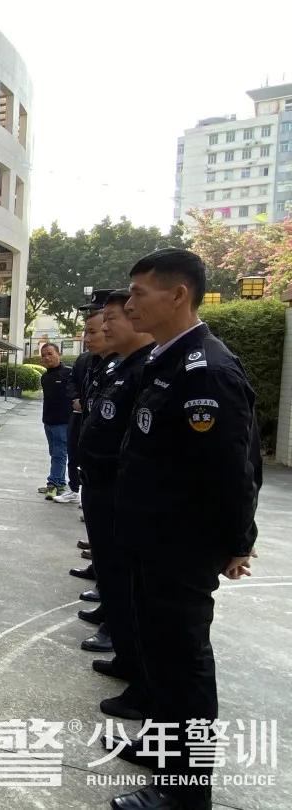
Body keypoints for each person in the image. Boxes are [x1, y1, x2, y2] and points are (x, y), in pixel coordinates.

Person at [106, 248, 261, 810]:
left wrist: (237, 541)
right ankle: (162, 746)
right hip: (153, 541)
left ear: (179, 295)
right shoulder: (167, 361)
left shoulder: (208, 370)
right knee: (162, 658)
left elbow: (234, 467)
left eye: (139, 294)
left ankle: (185, 794)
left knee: (184, 663)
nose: (129, 304)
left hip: (181, 547)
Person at [76, 289, 155, 710]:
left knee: (137, 593)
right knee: (114, 574)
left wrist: (239, 538)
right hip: (105, 486)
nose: (102, 328)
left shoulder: (155, 369)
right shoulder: (118, 368)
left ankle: (143, 684)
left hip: (130, 498)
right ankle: (127, 657)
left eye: (110, 319)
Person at [56, 290, 115, 506]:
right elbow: (72, 383)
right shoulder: (86, 360)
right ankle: (76, 488)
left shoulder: (125, 364)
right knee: (75, 451)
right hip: (80, 415)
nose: (87, 338)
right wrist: (76, 400)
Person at [37, 343, 77, 499]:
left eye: (50, 353)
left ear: (58, 354)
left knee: (60, 454)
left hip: (63, 422)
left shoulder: (69, 374)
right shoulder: (45, 377)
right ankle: (60, 483)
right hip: (48, 421)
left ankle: (53, 484)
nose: (47, 357)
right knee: (54, 452)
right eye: (44, 355)